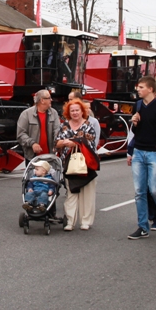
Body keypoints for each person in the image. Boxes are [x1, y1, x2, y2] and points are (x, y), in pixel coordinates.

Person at [126, 76, 156, 240]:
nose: (138, 90)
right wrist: (135, 123)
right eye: (137, 87)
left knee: (155, 190)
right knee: (140, 191)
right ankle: (143, 227)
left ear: (150, 89)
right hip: (139, 151)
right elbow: (136, 132)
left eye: (141, 87)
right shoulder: (138, 105)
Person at [56, 99, 98, 231]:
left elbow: (91, 144)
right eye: (72, 110)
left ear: (82, 111)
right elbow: (56, 143)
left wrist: (75, 143)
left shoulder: (88, 126)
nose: (74, 113)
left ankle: (85, 221)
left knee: (87, 193)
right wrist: (64, 143)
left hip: (86, 163)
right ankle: (70, 221)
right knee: (71, 193)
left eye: (77, 110)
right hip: (69, 163)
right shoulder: (64, 126)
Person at [16, 89, 61, 163]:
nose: (51, 100)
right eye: (49, 98)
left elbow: (57, 130)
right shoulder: (26, 114)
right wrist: (32, 143)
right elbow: (21, 135)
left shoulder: (54, 113)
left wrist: (57, 142)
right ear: (42, 100)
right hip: (32, 158)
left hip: (50, 157)